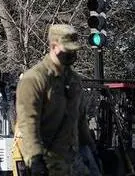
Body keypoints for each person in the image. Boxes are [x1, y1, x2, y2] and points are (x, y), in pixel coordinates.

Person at [14, 24, 97, 176]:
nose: (72, 54)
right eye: (67, 50)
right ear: (53, 46)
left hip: (74, 159)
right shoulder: (34, 79)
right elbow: (28, 123)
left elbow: (80, 120)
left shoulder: (74, 80)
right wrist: (35, 159)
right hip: (49, 161)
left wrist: (90, 149)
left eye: (74, 50)